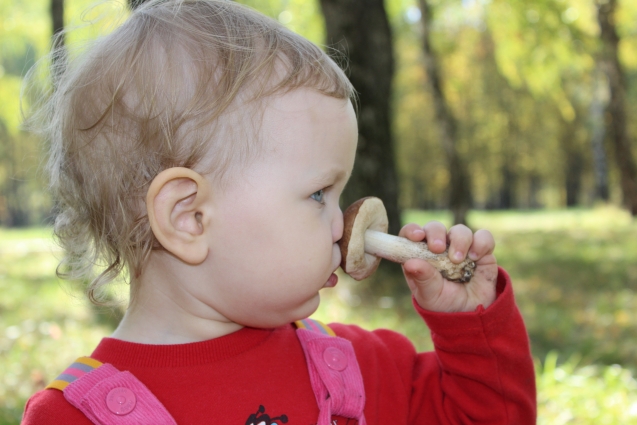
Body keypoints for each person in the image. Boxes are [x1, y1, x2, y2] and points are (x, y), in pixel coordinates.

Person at [22, 0, 536, 424]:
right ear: (190, 217)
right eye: (318, 195)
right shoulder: (74, 417)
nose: (342, 227)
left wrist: (469, 326)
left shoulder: (355, 370)